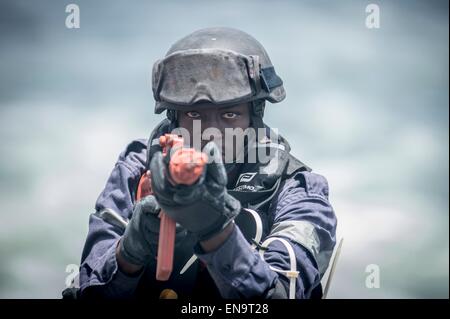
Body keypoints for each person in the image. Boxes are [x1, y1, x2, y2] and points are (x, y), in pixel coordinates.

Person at [74, 27, 337, 299]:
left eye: (230, 114)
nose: (211, 133)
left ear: (255, 115)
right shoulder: (138, 168)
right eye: (194, 113)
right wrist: (129, 251)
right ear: (174, 118)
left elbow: (282, 295)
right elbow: (89, 291)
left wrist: (215, 229)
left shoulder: (298, 189)